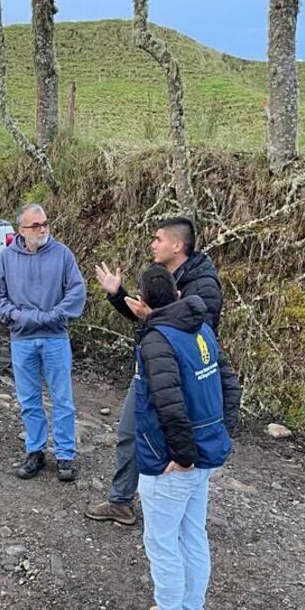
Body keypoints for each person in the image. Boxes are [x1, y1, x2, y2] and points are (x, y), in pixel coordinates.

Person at [85, 217, 240, 526]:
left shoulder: (204, 284)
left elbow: (193, 332)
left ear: (177, 245)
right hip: (150, 367)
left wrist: (152, 315)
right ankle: (121, 501)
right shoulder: (167, 275)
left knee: (177, 437)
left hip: (183, 379)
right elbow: (150, 317)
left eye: (157, 239)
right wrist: (118, 295)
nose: (152, 244)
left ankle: (175, 506)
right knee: (130, 433)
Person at [119, 265, 238, 610]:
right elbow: (229, 384)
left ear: (144, 301)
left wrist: (182, 457)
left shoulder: (158, 340)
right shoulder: (200, 327)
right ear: (175, 292)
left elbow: (169, 406)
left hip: (172, 461)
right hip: (205, 450)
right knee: (193, 534)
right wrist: (221, 435)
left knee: (162, 543)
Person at [0, 203, 87, 481]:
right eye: (36, 225)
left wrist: (51, 316)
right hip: (21, 340)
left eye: (45, 223)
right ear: (21, 230)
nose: (43, 229)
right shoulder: (6, 258)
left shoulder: (63, 254)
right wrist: (18, 316)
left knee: (62, 399)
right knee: (29, 399)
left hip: (55, 337)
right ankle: (36, 451)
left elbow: (77, 292)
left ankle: (65, 455)